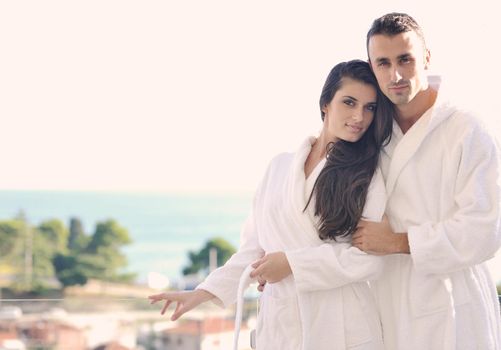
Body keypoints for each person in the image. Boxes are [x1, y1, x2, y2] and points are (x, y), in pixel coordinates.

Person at [148, 59, 395, 349]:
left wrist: (292, 264)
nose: (359, 117)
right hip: (282, 322)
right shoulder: (279, 167)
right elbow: (254, 248)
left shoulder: (368, 175)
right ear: (325, 104)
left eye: (370, 108)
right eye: (349, 103)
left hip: (342, 325)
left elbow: (369, 261)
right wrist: (202, 292)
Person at [350, 13, 501, 350]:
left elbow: (483, 232)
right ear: (372, 67)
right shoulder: (371, 132)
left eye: (405, 59)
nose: (396, 75)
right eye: (383, 63)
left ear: (427, 57)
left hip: (453, 305)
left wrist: (397, 242)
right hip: (388, 302)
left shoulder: (466, 128)